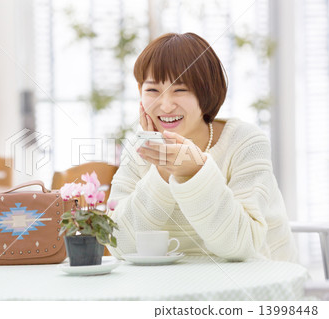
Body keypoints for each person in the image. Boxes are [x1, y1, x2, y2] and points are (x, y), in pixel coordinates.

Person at [107, 32, 297, 262]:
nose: (165, 106)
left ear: (206, 91)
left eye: (181, 90)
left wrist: (195, 172)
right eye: (153, 90)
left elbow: (240, 246)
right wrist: (164, 171)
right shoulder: (140, 149)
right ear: (139, 92)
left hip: (251, 284)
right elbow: (118, 243)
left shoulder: (245, 141)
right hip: (169, 287)